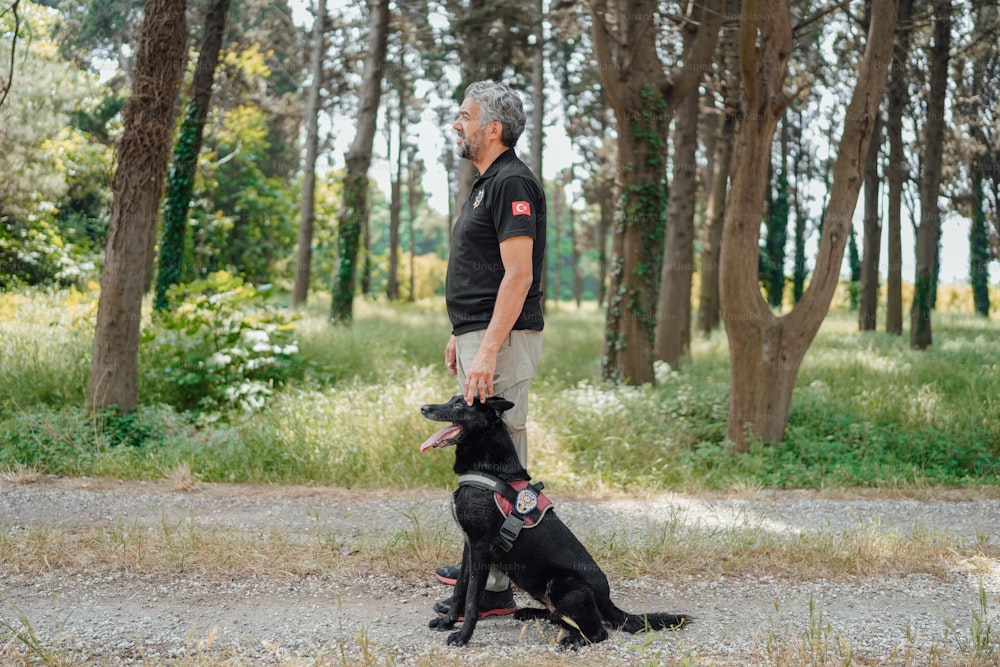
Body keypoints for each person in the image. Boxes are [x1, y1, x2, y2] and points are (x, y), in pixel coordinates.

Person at [433, 80, 546, 619]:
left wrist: (487, 349)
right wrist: (462, 333)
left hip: (501, 341)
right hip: (481, 336)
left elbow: (517, 276)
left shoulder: (512, 182)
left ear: (492, 127)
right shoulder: (485, 184)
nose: (457, 123)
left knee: (503, 459)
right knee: (481, 461)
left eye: (464, 115)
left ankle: (498, 582)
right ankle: (487, 569)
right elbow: (482, 271)